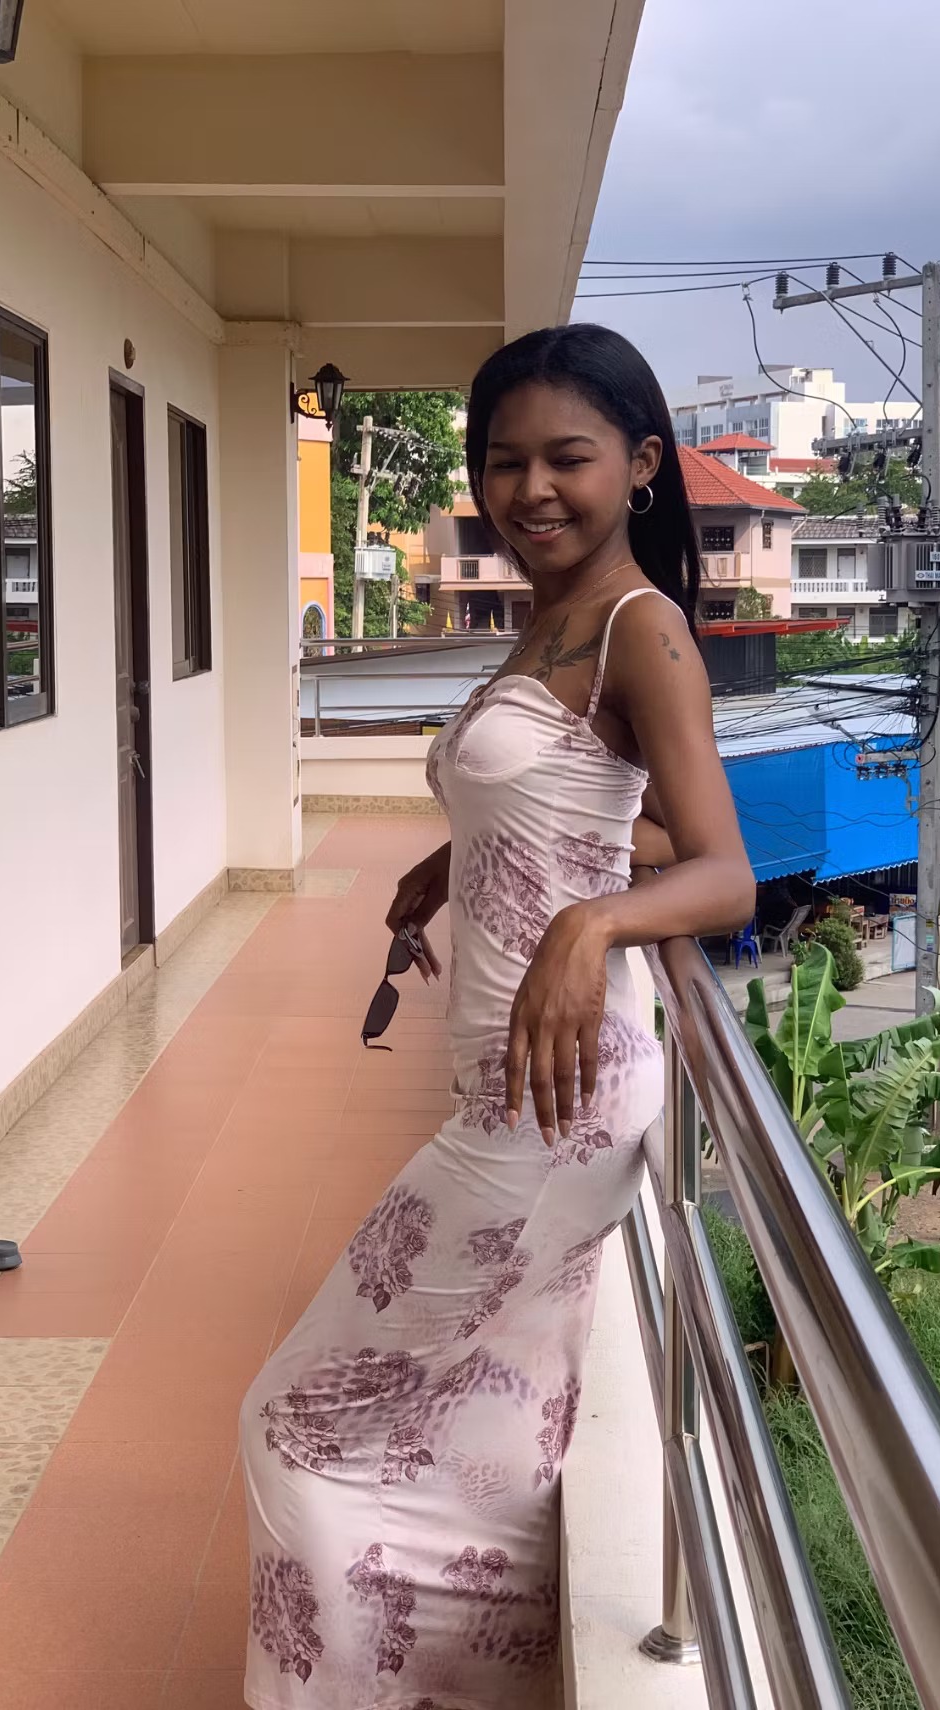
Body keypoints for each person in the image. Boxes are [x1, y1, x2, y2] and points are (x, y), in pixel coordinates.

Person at [240, 323, 755, 1709]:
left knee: (290, 1422)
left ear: (640, 465)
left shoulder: (641, 628)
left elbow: (722, 868)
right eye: (502, 460)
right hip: (512, 1088)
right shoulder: (549, 617)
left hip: (553, 1104)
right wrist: (461, 855)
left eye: (566, 458)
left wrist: (589, 925)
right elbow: (590, 803)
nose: (529, 489)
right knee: (483, 1431)